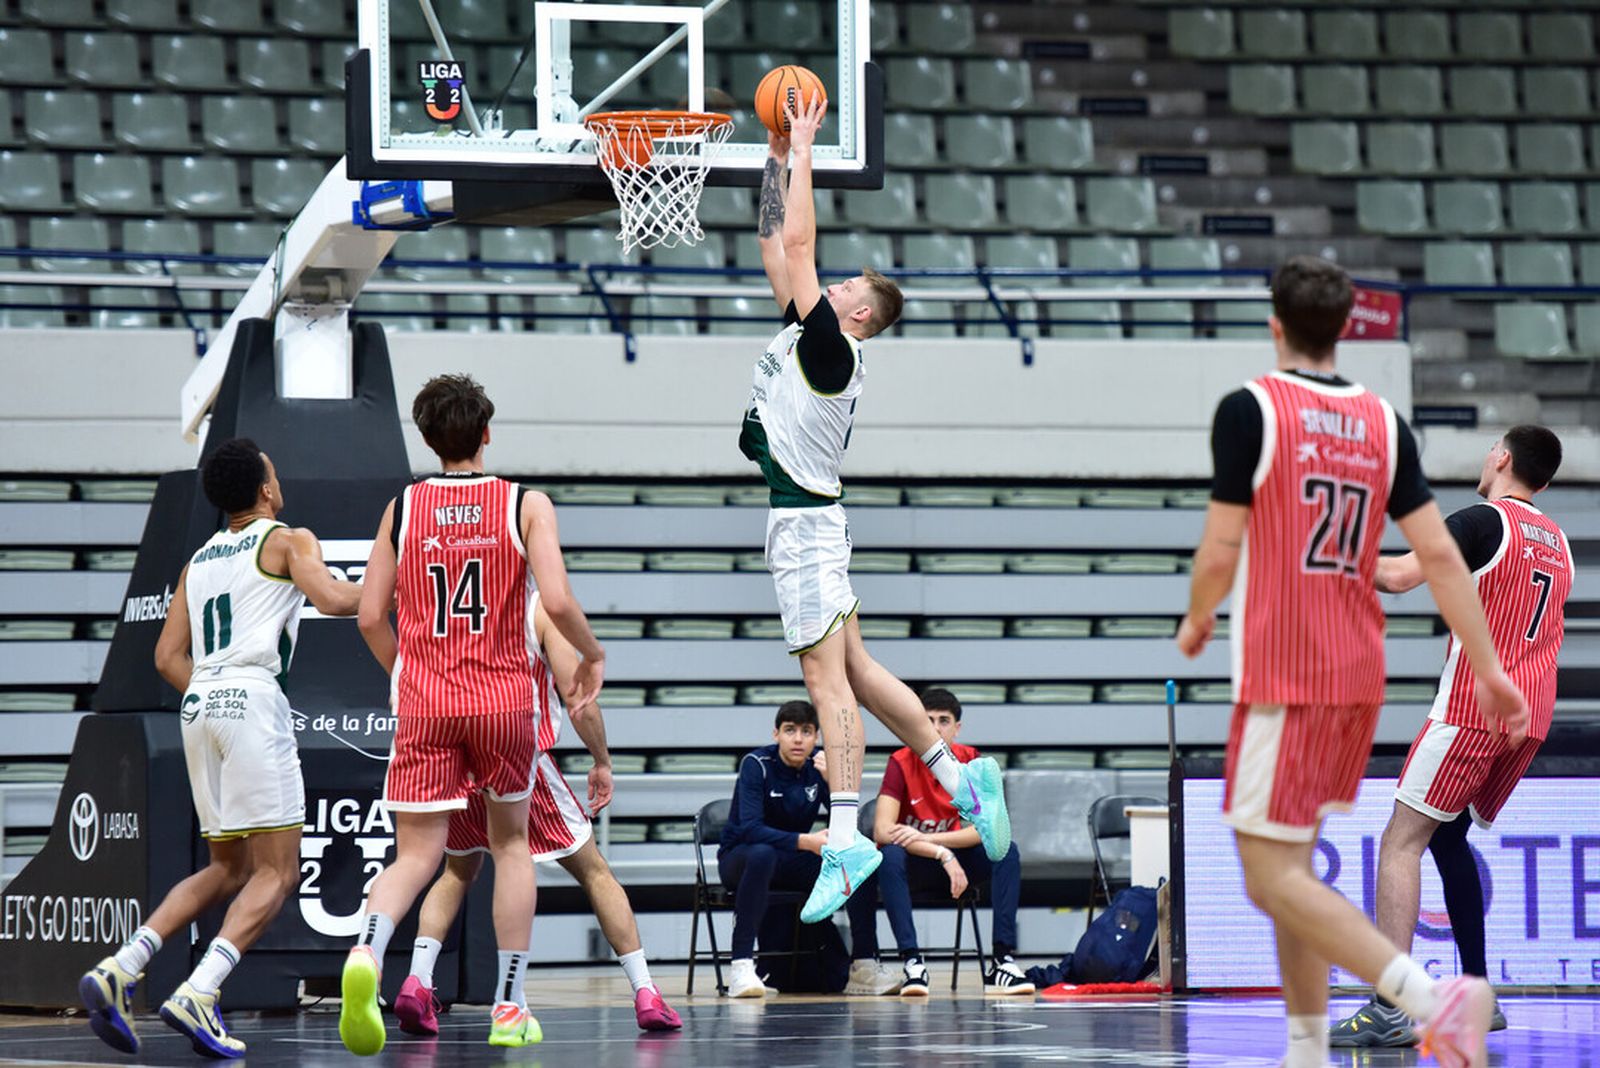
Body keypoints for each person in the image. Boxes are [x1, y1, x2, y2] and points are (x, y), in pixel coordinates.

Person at [1176, 255, 1529, 1068]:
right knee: (1292, 868)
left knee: (1268, 879)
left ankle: (1428, 997)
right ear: (1345, 331)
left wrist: (1199, 614)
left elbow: (1222, 541)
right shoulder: (1381, 420)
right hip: (1357, 671)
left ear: (1275, 325)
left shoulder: (1251, 407)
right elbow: (1440, 555)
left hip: (1286, 670)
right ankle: (1306, 1049)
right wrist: (1490, 667)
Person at [741, 89, 1010, 928]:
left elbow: (800, 241)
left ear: (858, 313)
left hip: (807, 527)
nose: (835, 282)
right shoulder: (808, 333)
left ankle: (848, 833)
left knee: (828, 686)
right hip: (815, 522)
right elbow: (770, 243)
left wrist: (810, 145)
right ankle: (960, 774)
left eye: (849, 284)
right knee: (855, 669)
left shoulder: (832, 349)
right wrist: (774, 152)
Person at [341, 374, 605, 1054]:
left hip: (427, 702)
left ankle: (367, 953)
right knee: (511, 847)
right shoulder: (525, 502)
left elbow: (370, 615)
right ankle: (509, 1008)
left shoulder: (402, 507)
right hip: (503, 701)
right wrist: (592, 652)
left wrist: (407, 671)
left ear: (427, 439)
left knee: (417, 856)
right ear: (486, 433)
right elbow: (559, 599)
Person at [80, 438, 362, 1059]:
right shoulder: (288, 540)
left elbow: (164, 657)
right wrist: (402, 588)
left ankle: (120, 968)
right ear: (265, 489)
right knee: (278, 872)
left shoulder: (198, 560)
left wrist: (211, 692)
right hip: (250, 698)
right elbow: (338, 600)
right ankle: (200, 990)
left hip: (199, 702)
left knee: (226, 868)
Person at [1331, 426, 1571, 1048]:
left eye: (1494, 446)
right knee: (1449, 837)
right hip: (1528, 718)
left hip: (1472, 710)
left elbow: (1399, 578)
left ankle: (1389, 1007)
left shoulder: (1485, 521)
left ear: (1505, 459)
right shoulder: (1559, 543)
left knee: (1400, 843)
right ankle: (1478, 993)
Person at [394, 596, 681, 1033]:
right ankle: (645, 992)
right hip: (513, 754)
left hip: (453, 756)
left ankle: (417, 980)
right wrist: (601, 761)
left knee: (455, 873)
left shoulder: (443, 602)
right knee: (594, 872)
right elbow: (576, 696)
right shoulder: (533, 605)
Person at [717, 701, 900, 998]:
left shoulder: (819, 764)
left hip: (791, 860)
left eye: (806, 731)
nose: (798, 739)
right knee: (762, 853)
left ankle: (863, 964)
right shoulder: (756, 764)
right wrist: (805, 841)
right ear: (776, 734)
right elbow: (749, 829)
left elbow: (845, 824)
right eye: (790, 731)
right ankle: (741, 966)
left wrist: (833, 783)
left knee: (856, 861)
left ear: (816, 737)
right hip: (742, 858)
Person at [872, 689, 1034, 997]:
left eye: (943, 721)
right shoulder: (901, 761)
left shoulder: (972, 761)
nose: (933, 728)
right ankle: (912, 963)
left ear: (956, 728)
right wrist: (941, 853)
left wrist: (931, 838)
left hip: (960, 862)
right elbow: (881, 830)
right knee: (889, 855)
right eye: (927, 720)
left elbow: (991, 829)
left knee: (1006, 851)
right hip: (921, 864)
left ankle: (1002, 960)